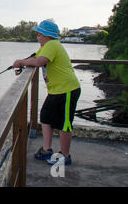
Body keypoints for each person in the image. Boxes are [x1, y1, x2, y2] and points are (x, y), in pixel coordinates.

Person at [12, 19, 81, 166]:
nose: (38, 37)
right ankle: (47, 149)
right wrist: (21, 62)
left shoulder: (52, 45)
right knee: (45, 117)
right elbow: (34, 57)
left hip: (67, 89)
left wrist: (21, 62)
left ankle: (65, 156)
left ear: (47, 35)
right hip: (56, 91)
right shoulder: (46, 46)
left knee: (64, 124)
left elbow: (39, 62)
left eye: (39, 35)